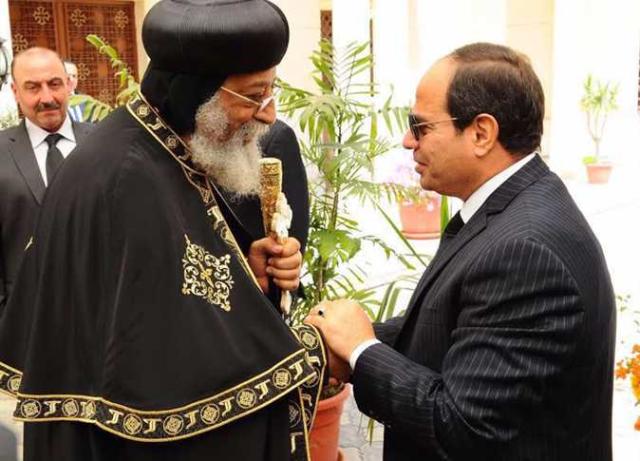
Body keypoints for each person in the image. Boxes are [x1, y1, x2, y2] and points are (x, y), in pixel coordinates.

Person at [0, 1, 326, 460]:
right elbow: (166, 375)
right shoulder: (127, 176)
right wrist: (318, 348)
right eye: (255, 96)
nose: (268, 116)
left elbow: (171, 289)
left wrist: (247, 274)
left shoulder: (160, 145)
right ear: (197, 92)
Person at [307, 42, 616, 461]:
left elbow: (464, 426)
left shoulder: (526, 251)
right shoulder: (508, 208)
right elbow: (451, 329)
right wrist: (340, 341)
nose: (407, 141)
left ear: (481, 133)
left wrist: (363, 353)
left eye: (420, 127)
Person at [0, 47, 93, 314]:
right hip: (24, 318)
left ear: (69, 84)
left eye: (54, 84)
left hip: (100, 316)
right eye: (33, 87)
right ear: (16, 92)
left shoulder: (105, 143)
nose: (47, 98)